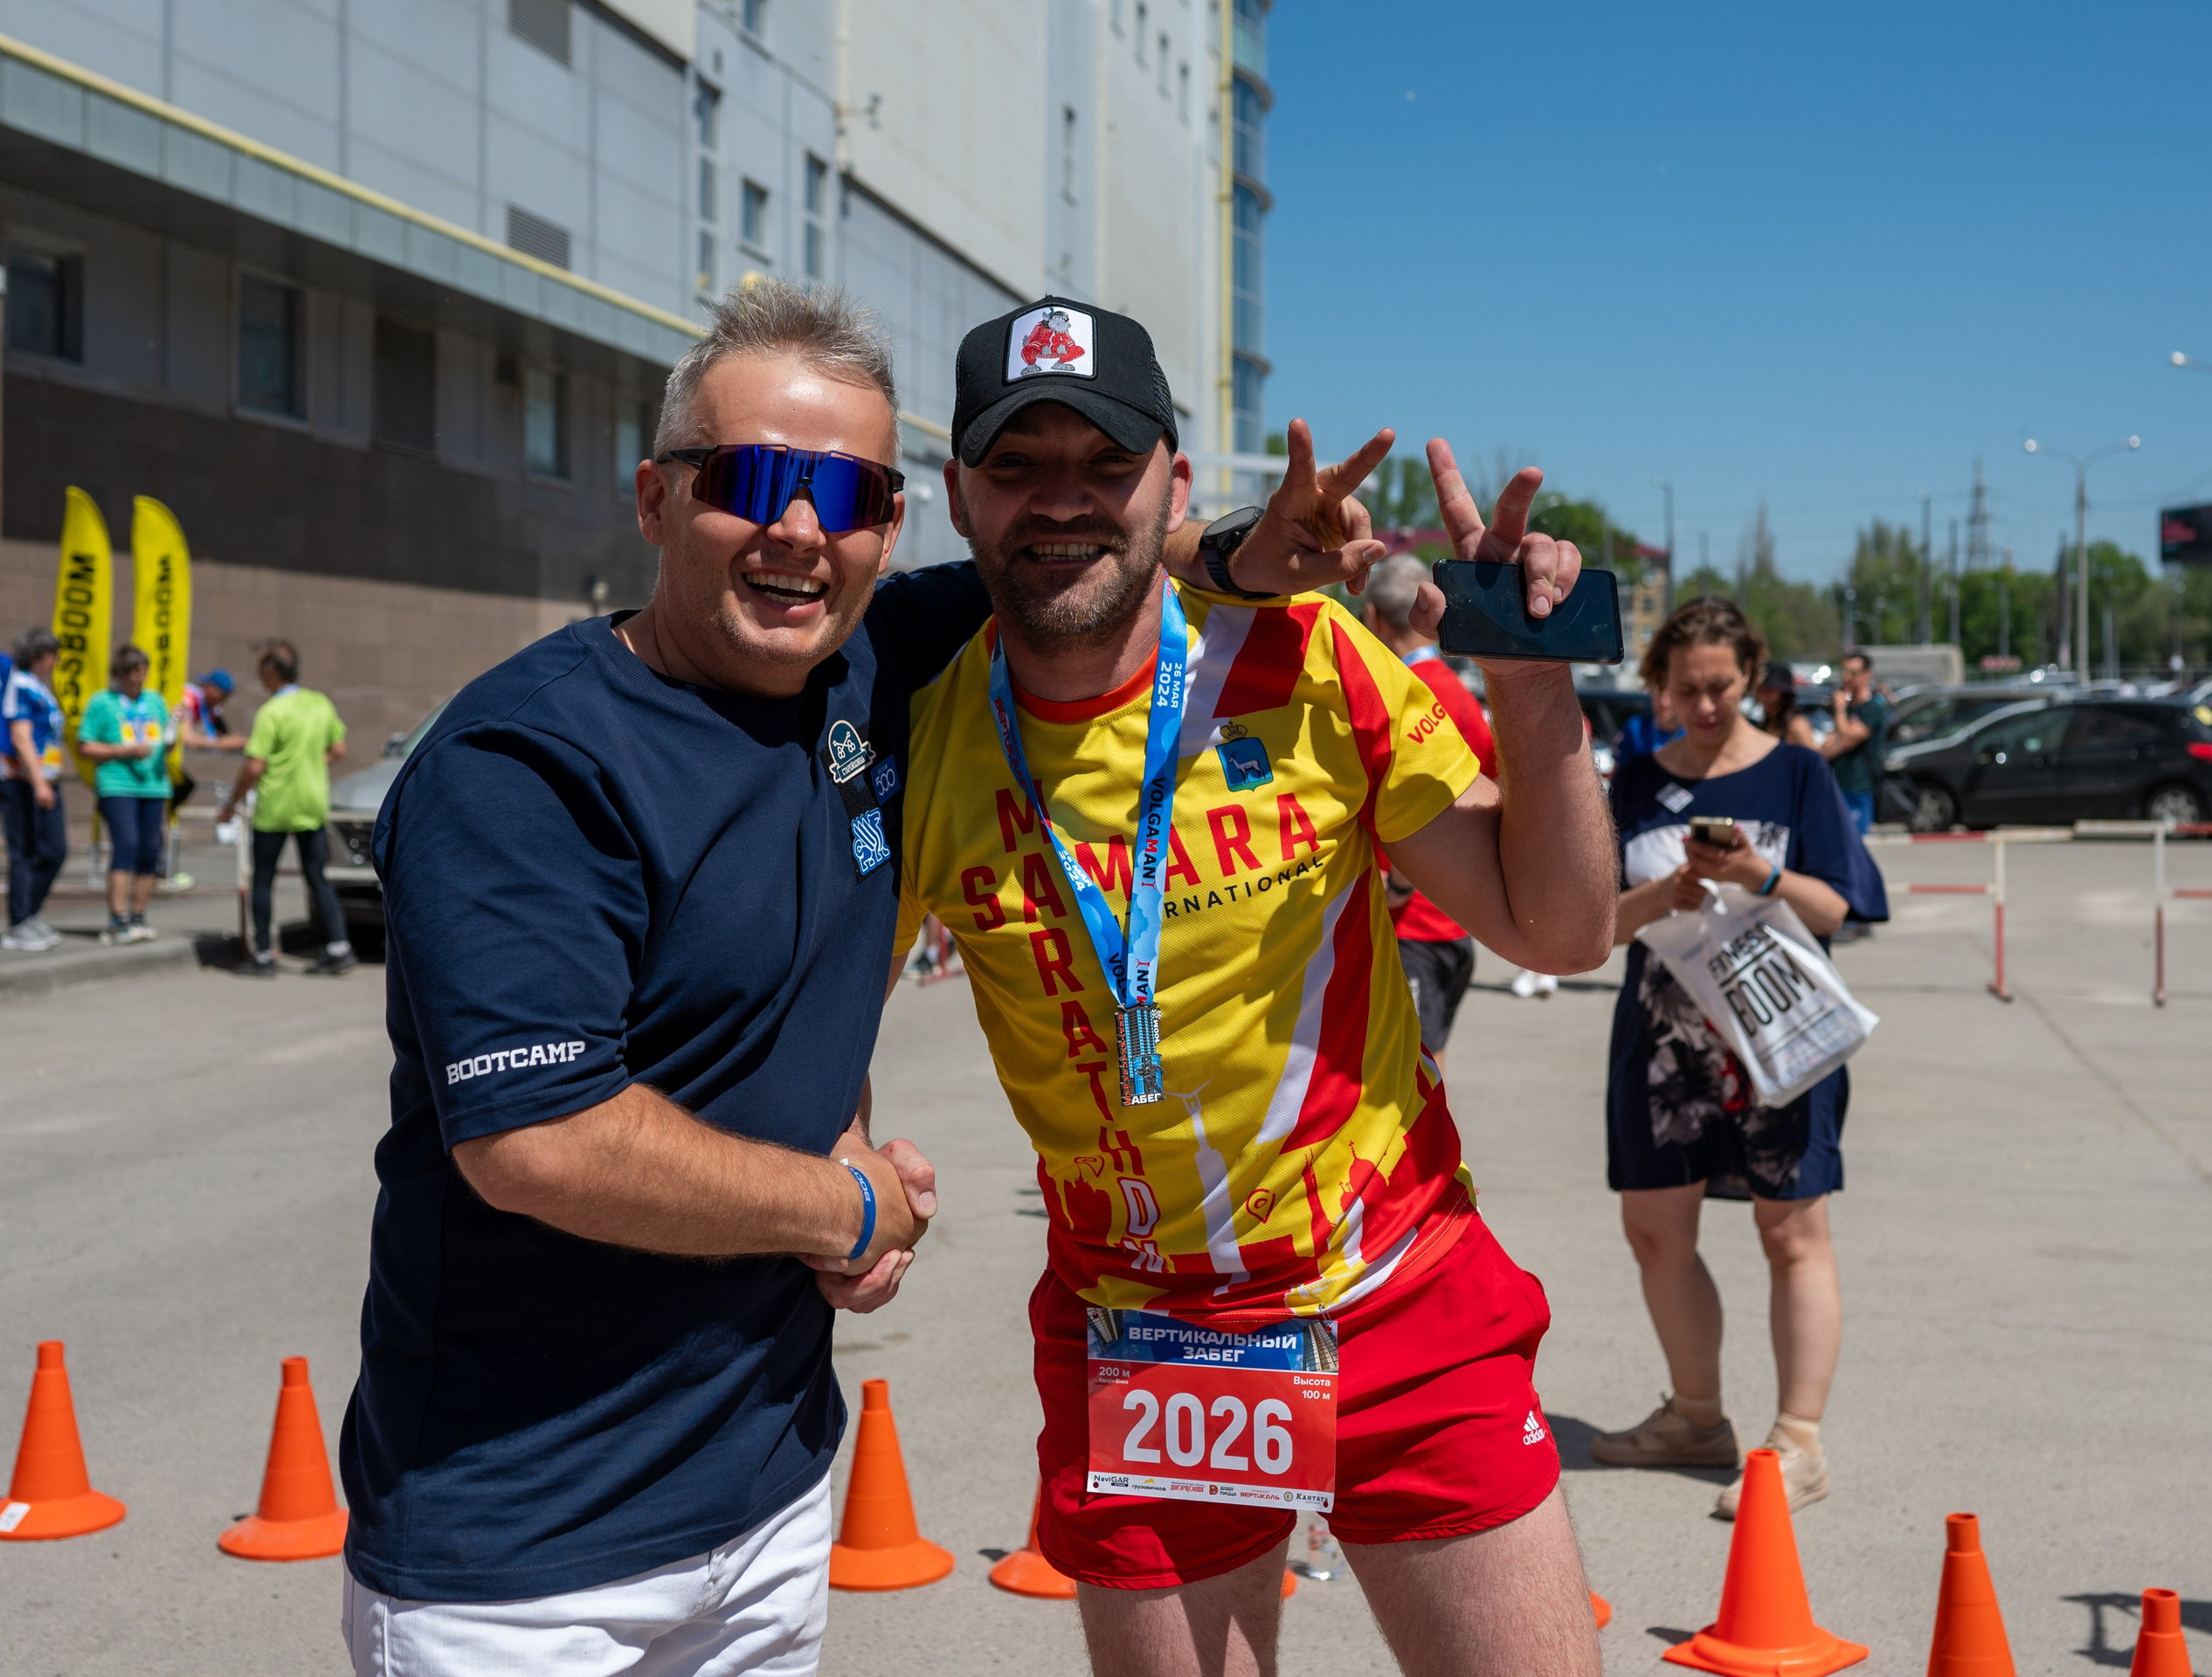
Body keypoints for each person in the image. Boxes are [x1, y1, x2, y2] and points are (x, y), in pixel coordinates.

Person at [336, 279, 1338, 1675]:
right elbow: (536, 1141)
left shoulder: (869, 662)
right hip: (526, 1558)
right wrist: (846, 1200)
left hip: (770, 1501)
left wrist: (1238, 543)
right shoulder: (524, 768)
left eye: (851, 496)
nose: (802, 532)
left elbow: (1065, 547)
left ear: (892, 523)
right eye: (753, 479)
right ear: (654, 500)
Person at [894, 294, 1616, 1677]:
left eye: (1105, 465)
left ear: (1171, 474)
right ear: (958, 494)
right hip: (1139, 1325)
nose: (1062, 502)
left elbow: (1560, 929)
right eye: (1017, 466)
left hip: (1395, 1287)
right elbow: (822, 1009)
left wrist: (1528, 685)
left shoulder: (1304, 657)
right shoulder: (920, 729)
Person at [1590, 597, 1884, 1519]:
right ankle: (1695, 1416)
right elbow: (1595, 925)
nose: (1707, 706)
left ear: (1750, 677)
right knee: (1653, 1230)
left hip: (1777, 1035)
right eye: (1687, 690)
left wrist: (1755, 873)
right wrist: (1666, 891)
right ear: (1660, 689)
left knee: (1790, 1231)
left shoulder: (1797, 773)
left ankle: (1799, 1440)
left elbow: (1842, 909)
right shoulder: (1633, 781)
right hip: (1663, 1036)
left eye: (1722, 687)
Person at [1360, 555, 1517, 1039]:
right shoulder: (1463, 695)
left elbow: (1415, 796)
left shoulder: (1396, 694)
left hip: (1408, 921)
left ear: (1372, 619)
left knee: (1409, 1078)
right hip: (1456, 917)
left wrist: (1402, 887)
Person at [215, 644, 354, 977]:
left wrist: (231, 804)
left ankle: (263, 955)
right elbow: (339, 749)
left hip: (276, 806)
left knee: (263, 879)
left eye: (261, 669)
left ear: (273, 673)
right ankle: (339, 947)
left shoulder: (271, 712)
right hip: (311, 801)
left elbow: (254, 767)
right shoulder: (319, 703)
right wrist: (312, 766)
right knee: (317, 877)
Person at [75, 645, 171, 945]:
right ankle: (118, 918)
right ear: (121, 673)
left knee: (150, 850)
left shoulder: (155, 701)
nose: (140, 678)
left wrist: (174, 734)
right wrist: (124, 750)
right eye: (134, 672)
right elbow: (85, 746)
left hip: (153, 785)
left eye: (144, 671)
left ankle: (139, 914)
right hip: (117, 785)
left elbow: (165, 740)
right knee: (126, 845)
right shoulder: (102, 702)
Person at [3, 627, 69, 951]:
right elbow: (21, 736)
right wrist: (40, 782)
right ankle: (19, 922)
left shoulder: (41, 688)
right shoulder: (21, 684)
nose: (56, 660)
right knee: (26, 852)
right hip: (24, 782)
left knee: (54, 850)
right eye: (53, 654)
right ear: (40, 656)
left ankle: (30, 912)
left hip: (44, 781)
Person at [1820, 650, 1889, 836]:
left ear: (1868, 674)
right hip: (1837, 786)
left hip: (1858, 789)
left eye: (1854, 673)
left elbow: (1848, 738)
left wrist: (1840, 709)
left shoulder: (1872, 708)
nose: (1848, 678)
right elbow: (1830, 744)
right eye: (1845, 672)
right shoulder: (1851, 709)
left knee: (1854, 846)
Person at [172, 668, 245, 823]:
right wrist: (222, 743)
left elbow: (220, 733)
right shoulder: (189, 698)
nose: (223, 701)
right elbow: (186, 738)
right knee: (183, 787)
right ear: (210, 687)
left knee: (186, 787)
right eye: (222, 695)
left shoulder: (211, 708)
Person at [1755, 660, 1816, 748]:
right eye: (1760, 690)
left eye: (1769, 691)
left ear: (1784, 694)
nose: (1762, 696)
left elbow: (1813, 759)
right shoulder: (1764, 725)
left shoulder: (1797, 725)